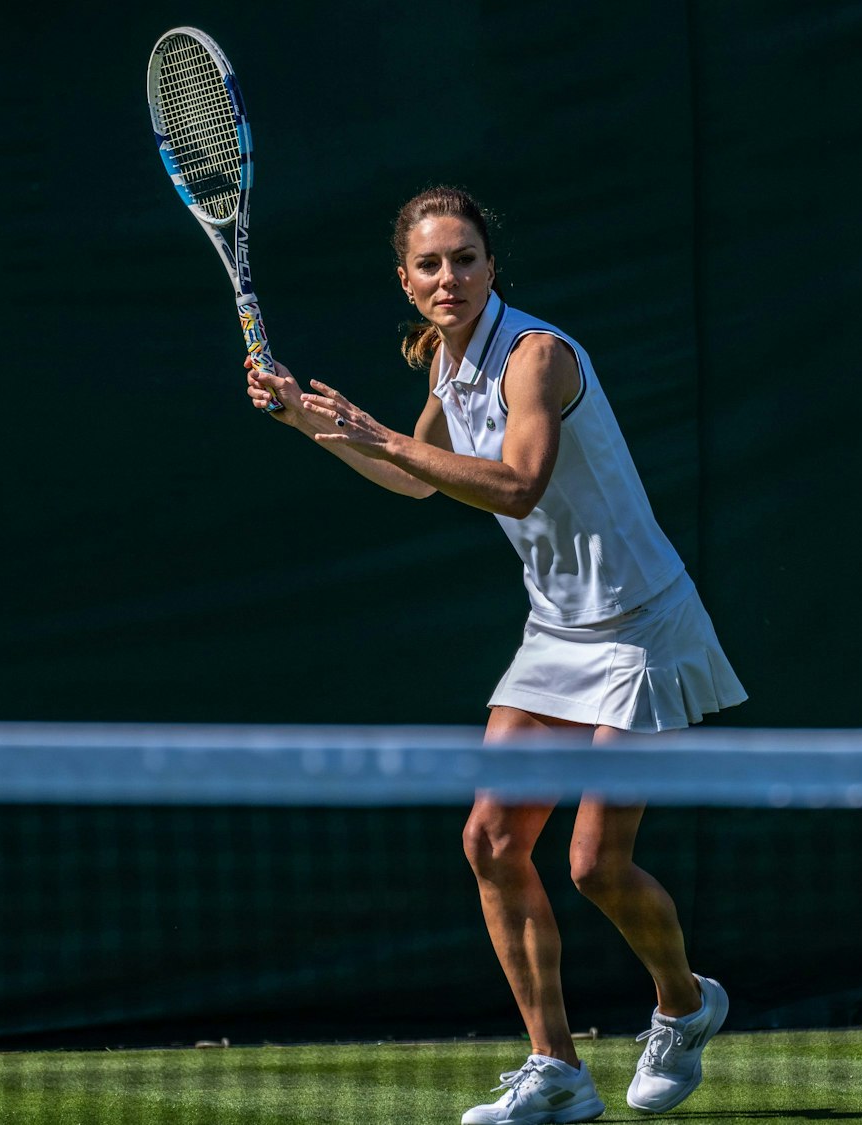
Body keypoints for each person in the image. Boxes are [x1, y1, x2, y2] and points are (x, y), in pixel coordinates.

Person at [246, 186, 746, 1125]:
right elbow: (412, 479)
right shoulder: (446, 359)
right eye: (430, 265)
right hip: (556, 629)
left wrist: (378, 429)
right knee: (491, 841)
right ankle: (556, 1069)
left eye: (465, 258)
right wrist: (302, 419)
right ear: (407, 279)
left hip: (639, 623)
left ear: (490, 265)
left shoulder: (536, 357)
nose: (449, 278)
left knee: (597, 863)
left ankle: (684, 1002)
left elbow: (516, 487)